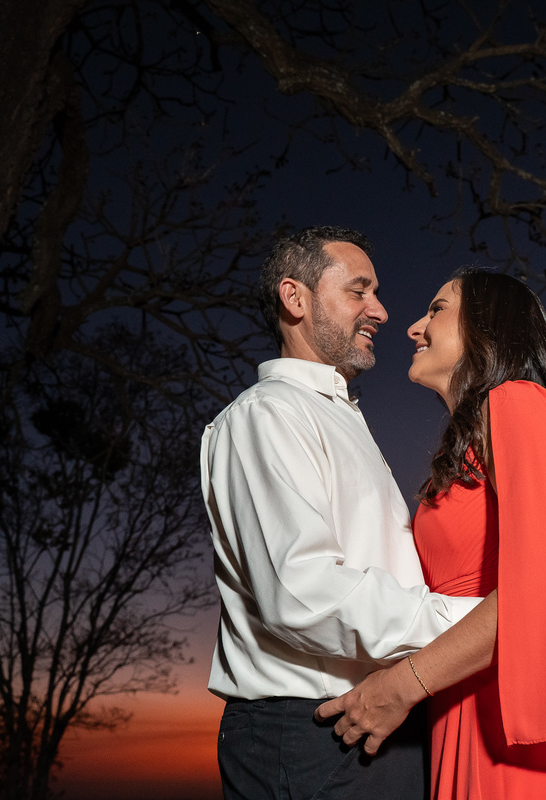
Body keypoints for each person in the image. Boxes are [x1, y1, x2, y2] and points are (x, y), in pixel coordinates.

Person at [316, 270, 546, 799]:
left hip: (515, 719)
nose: (414, 327)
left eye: (436, 309)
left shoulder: (519, 402)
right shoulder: (467, 444)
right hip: (458, 701)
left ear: (486, 326)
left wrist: (400, 686)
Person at [201, 227, 482, 800]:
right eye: (359, 291)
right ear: (295, 298)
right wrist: (475, 625)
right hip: (312, 738)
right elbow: (302, 592)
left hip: (374, 727)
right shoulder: (267, 416)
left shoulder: (337, 416)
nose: (380, 309)